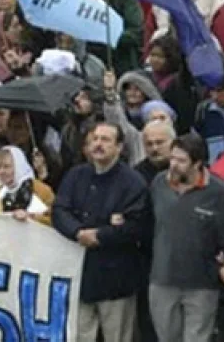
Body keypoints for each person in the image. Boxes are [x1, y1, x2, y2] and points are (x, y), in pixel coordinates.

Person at [53, 123, 151, 342]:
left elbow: (136, 226)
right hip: (79, 274)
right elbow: (60, 210)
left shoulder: (133, 182)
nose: (98, 144)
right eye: (95, 139)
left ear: (119, 147)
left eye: (106, 140)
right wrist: (77, 232)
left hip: (117, 280)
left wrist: (99, 236)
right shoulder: (76, 175)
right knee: (78, 336)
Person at [149, 133, 224, 341]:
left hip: (202, 283)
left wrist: (223, 265)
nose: (173, 165)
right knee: (167, 337)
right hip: (162, 279)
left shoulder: (219, 192)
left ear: (197, 163)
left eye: (181, 161)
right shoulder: (158, 183)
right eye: (172, 158)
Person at [0, 145, 55, 224]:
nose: (1, 172)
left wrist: (31, 217)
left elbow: (54, 219)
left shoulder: (40, 190)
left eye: (6, 167)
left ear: (19, 166)